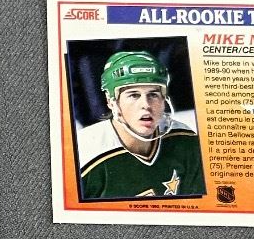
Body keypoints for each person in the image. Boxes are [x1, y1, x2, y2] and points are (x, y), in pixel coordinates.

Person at [78, 48, 205, 200]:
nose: (146, 104)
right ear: (111, 102)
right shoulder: (85, 154)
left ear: (164, 99)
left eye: (153, 94)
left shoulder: (185, 140)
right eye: (134, 95)